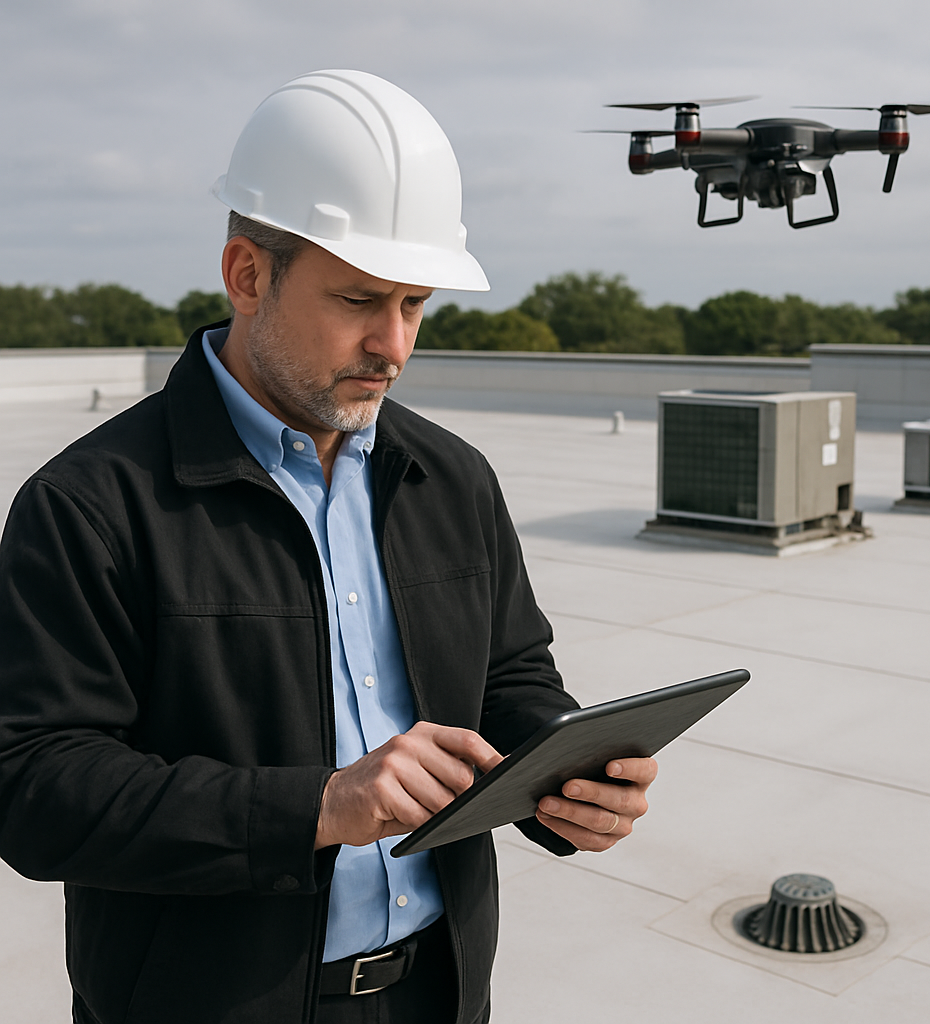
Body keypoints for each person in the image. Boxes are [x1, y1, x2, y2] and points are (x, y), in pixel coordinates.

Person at [0, 71, 656, 1024]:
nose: (393, 345)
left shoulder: (454, 477)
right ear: (247, 275)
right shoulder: (90, 505)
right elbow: (36, 789)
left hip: (437, 989)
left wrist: (565, 773)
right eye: (359, 299)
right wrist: (317, 806)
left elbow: (512, 676)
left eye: (415, 304)